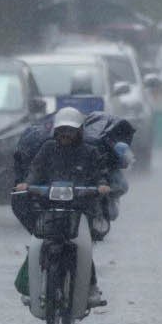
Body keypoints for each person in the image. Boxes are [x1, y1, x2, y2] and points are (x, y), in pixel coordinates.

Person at [13, 108, 126, 302]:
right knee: (39, 243)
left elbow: (99, 174)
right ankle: (34, 285)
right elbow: (36, 170)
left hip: (81, 208)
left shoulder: (90, 151)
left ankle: (91, 287)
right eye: (62, 130)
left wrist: (101, 186)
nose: (66, 134)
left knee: (83, 246)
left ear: (79, 131)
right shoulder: (47, 148)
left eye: (70, 130)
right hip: (50, 206)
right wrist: (28, 184)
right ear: (56, 131)